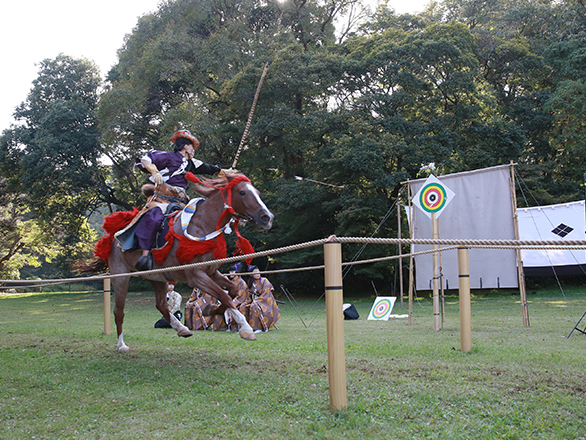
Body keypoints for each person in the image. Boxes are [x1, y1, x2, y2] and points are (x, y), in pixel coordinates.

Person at [134, 129, 223, 271]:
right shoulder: (168, 156)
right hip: (163, 198)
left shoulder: (192, 163)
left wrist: (226, 172)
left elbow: (210, 168)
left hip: (182, 201)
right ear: (185, 147)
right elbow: (146, 159)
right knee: (154, 217)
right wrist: (155, 171)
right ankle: (145, 255)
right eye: (192, 147)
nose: (194, 150)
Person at [239, 265, 280, 332]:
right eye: (255, 272)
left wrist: (256, 301)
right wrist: (247, 301)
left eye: (258, 272)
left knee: (254, 306)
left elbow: (266, 293)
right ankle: (245, 327)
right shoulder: (251, 283)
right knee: (243, 306)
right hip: (253, 301)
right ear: (251, 274)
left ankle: (257, 328)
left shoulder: (264, 280)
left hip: (264, 302)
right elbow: (248, 295)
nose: (257, 274)